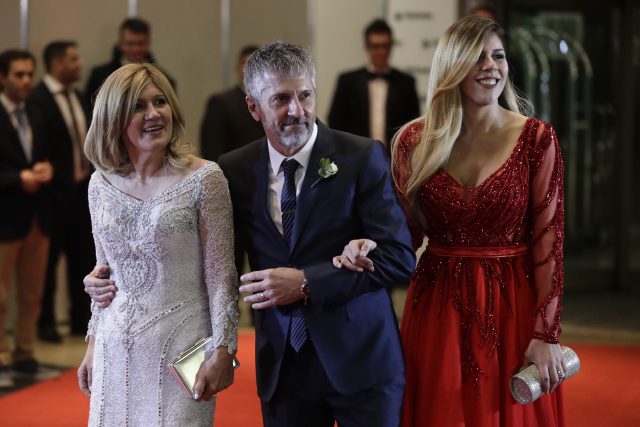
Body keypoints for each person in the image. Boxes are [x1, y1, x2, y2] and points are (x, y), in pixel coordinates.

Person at [84, 42, 415, 427]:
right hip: (283, 369)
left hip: (362, 363)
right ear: (253, 107)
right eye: (281, 99)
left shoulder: (361, 156)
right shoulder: (235, 170)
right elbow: (214, 263)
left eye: (305, 95)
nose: (297, 110)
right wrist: (106, 278)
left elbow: (399, 258)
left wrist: (309, 281)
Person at [391, 16, 566, 426]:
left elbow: (549, 242)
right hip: (436, 310)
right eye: (477, 57)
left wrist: (546, 334)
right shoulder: (414, 142)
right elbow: (401, 236)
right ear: (452, 67)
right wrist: (359, 244)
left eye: (498, 56)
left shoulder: (537, 139)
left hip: (513, 306)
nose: (492, 66)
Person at [76, 63, 238, 426]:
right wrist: (92, 345)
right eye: (138, 106)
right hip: (114, 349)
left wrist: (224, 350)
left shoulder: (206, 179)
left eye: (160, 101)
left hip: (182, 351)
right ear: (114, 118)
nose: (153, 114)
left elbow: (222, 275)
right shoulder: (99, 184)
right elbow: (103, 275)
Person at [29, 41, 94, 342]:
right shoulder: (38, 98)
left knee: (83, 257)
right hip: (53, 194)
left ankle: (82, 318)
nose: (78, 63)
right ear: (56, 64)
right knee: (49, 262)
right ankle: (46, 323)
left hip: (82, 190)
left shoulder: (78, 96)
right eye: (72, 58)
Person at [0, 49, 56, 387]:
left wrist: (46, 168)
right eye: (18, 74)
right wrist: (18, 178)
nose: (25, 81)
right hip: (4, 217)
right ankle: (1, 354)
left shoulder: (36, 112)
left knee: (32, 291)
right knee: (0, 293)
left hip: (36, 216)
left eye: (29, 74)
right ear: (2, 77)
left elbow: (49, 154)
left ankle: (25, 351)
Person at [328, 19, 420, 148]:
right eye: (376, 46)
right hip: (356, 157)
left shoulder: (406, 83)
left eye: (385, 46)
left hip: (394, 159)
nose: (381, 52)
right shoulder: (347, 81)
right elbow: (335, 123)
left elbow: (413, 127)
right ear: (366, 47)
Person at [85, 17, 176, 106]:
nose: (136, 49)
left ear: (148, 43)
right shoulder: (100, 76)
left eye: (140, 43)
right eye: (130, 43)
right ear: (120, 44)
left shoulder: (165, 79)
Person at [200, 45, 264, 162]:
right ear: (238, 67)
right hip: (231, 174)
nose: (252, 69)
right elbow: (212, 149)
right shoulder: (220, 103)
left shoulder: (271, 103)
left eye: (257, 65)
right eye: (246, 64)